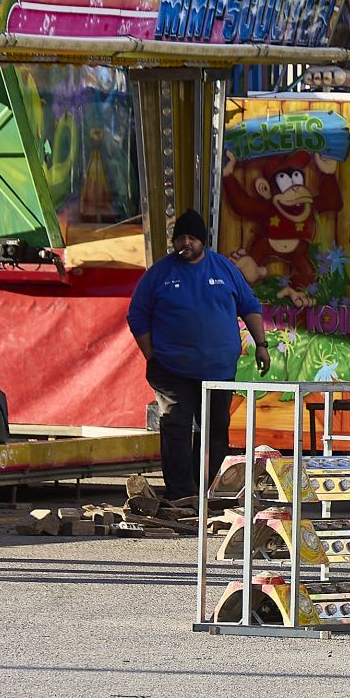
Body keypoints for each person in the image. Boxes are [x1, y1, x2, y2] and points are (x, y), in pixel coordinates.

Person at [127, 209, 270, 503]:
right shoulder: (160, 274)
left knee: (215, 430)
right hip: (171, 369)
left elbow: (249, 306)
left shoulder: (225, 269)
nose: (186, 243)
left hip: (218, 369)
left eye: (192, 237)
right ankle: (181, 494)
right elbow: (137, 315)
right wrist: (150, 353)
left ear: (202, 241)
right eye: (181, 237)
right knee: (176, 427)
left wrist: (262, 344)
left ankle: (210, 492)